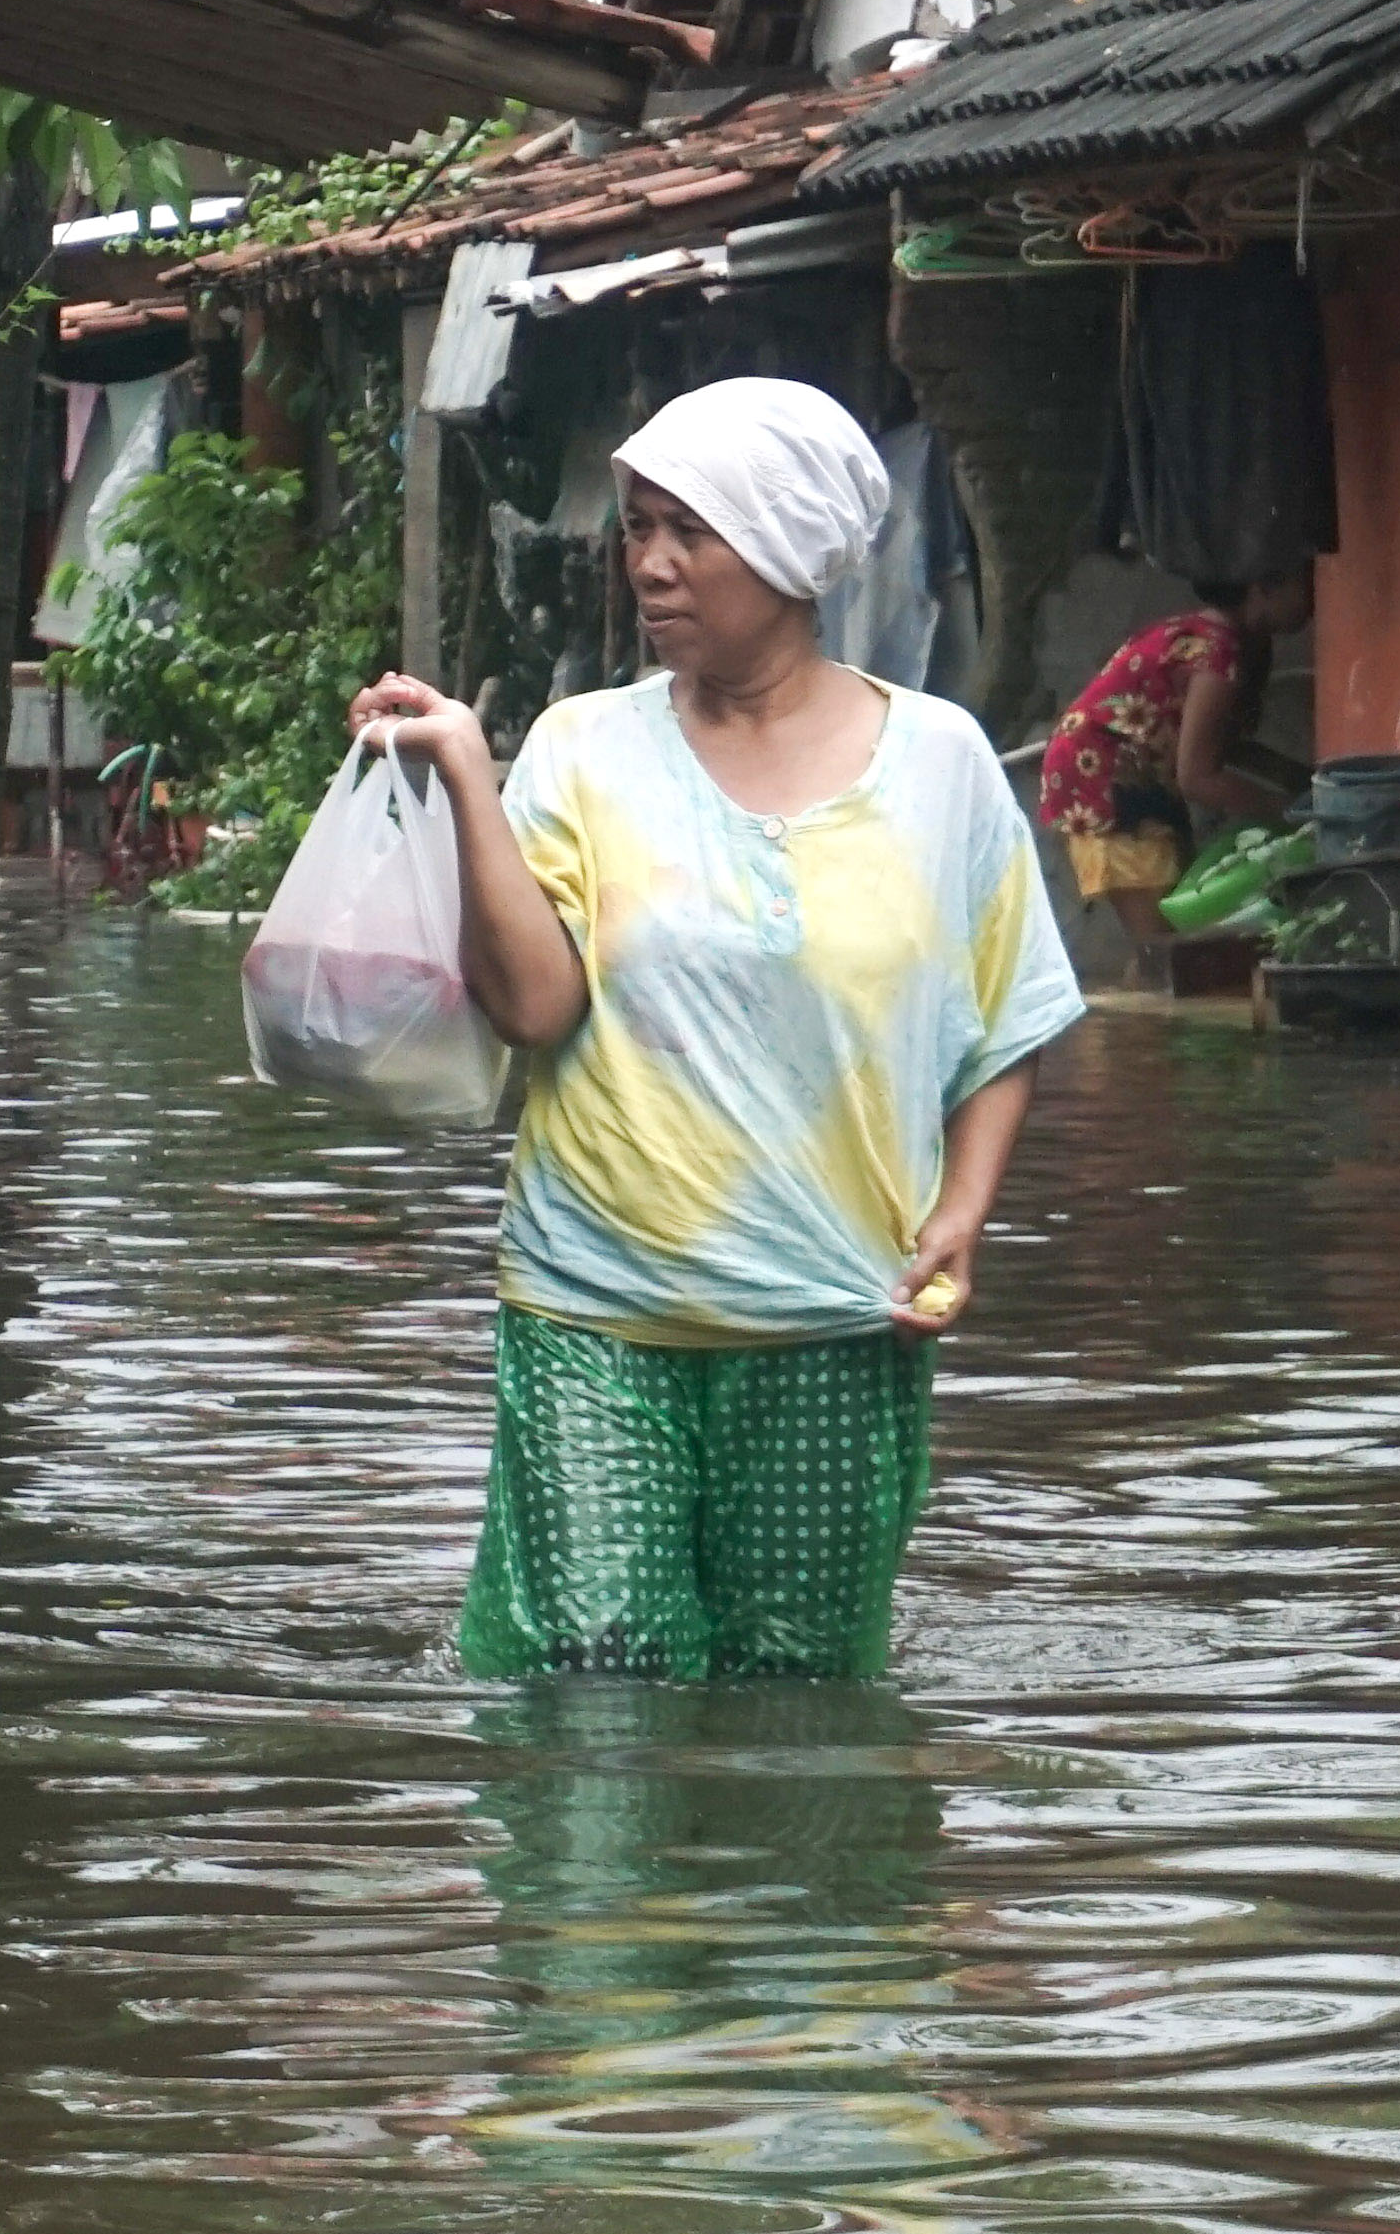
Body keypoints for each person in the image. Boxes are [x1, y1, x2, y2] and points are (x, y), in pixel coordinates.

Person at [351, 379, 1085, 1682]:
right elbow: (534, 1008)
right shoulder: (582, 750)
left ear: (791, 546)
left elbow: (1006, 1017)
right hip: (597, 1305)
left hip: (835, 1312)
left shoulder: (942, 764)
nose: (650, 563)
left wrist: (963, 1213)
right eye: (639, 528)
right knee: (600, 1677)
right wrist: (467, 774)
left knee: (798, 1699)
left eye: (691, 532)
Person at [1035, 572, 1316, 939]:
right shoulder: (1217, 655)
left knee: (1179, 929)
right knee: (1164, 943)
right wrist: (1291, 813)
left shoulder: (1225, 639)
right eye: (1305, 582)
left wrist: (1304, 782)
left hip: (1135, 776)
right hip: (1103, 780)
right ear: (1262, 587)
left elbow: (1217, 744)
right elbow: (1197, 778)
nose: (1314, 593)